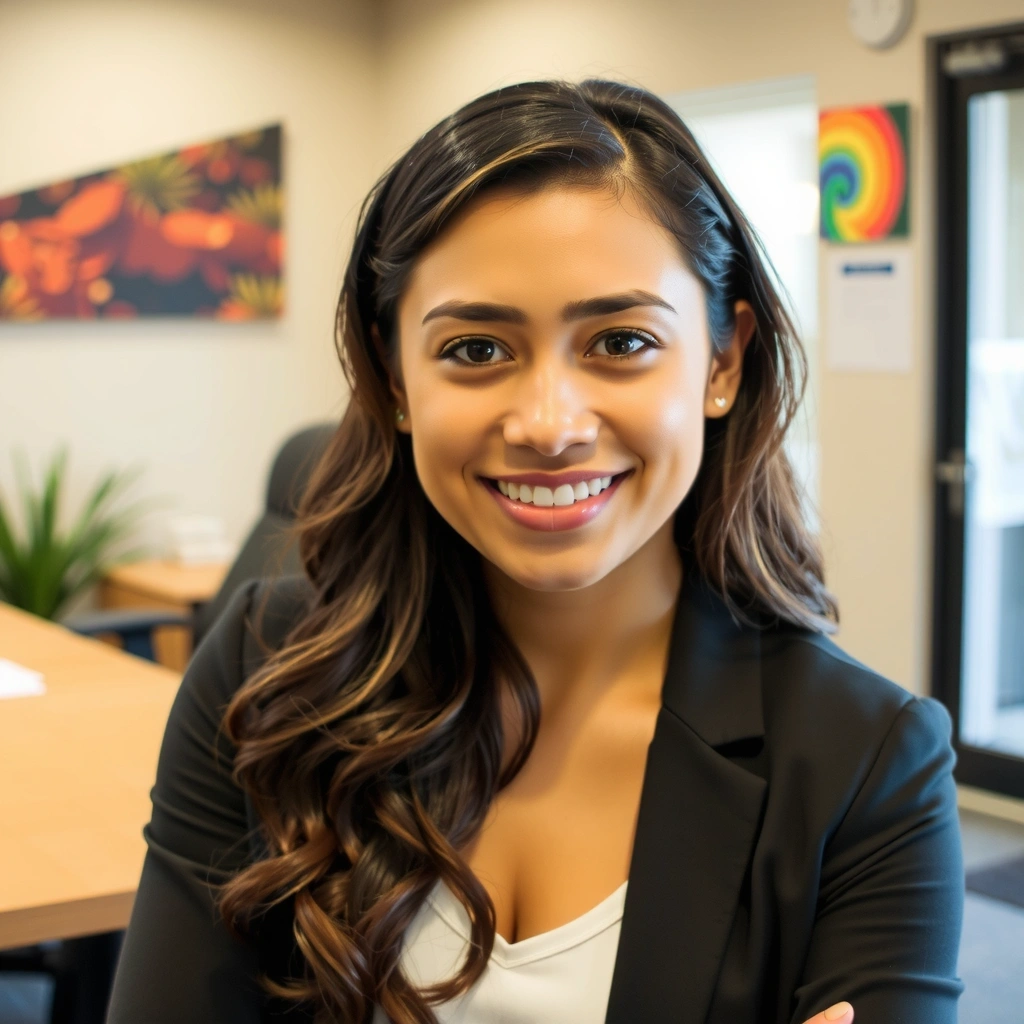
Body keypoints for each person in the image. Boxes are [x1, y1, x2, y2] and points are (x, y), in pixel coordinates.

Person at [106, 79, 964, 1024]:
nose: (550, 426)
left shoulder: (865, 766)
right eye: (476, 350)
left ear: (722, 361)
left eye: (622, 341)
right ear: (395, 378)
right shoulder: (265, 672)